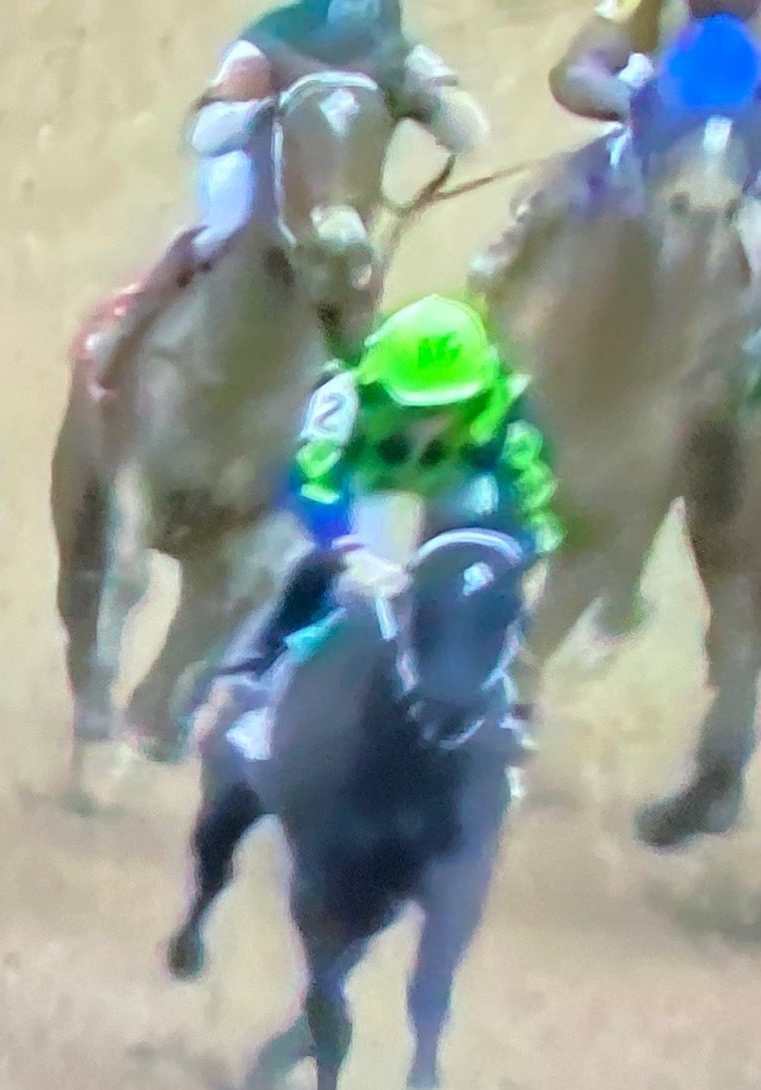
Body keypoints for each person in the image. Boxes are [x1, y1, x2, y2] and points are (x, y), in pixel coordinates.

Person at [195, 294, 562, 746]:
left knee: (496, 602)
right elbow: (310, 478)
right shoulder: (342, 397)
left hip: (456, 516)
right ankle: (250, 675)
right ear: (378, 384)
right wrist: (345, 548)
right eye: (413, 408)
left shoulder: (511, 412)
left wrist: (516, 551)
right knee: (307, 568)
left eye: (452, 406)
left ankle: (510, 705)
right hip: (366, 507)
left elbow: (532, 503)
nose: (430, 422)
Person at [109, 0, 490, 348]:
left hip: (349, 210)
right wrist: (258, 111)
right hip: (264, 184)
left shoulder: (395, 51)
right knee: (222, 228)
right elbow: (204, 133)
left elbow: (469, 132)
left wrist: (436, 100)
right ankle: (132, 329)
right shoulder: (271, 42)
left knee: (356, 270)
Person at [470, 0, 761, 291]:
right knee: (562, 188)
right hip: (648, 152)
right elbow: (576, 69)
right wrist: (637, 104)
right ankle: (515, 262)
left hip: (748, 172)